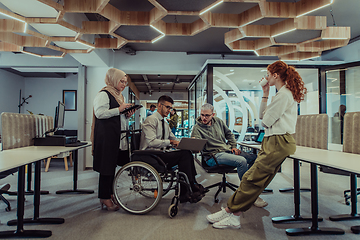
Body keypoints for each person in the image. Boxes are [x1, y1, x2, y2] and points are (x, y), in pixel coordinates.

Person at [206, 60, 307, 229]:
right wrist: (265, 91)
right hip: (274, 141)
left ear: (275, 76)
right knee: (255, 181)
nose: (266, 77)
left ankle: (231, 211)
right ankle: (232, 212)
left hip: (278, 141)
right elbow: (261, 115)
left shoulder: (284, 94)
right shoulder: (280, 94)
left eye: (268, 75)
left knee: (251, 179)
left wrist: (267, 110)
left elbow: (266, 122)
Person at [191, 103, 266, 208]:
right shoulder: (197, 128)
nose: (204, 118)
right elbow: (196, 147)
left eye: (207, 115)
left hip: (226, 151)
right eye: (202, 115)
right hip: (213, 156)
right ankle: (248, 195)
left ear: (213, 114)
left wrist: (233, 146)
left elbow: (229, 134)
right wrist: (195, 144)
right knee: (241, 161)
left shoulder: (218, 122)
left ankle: (250, 186)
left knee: (256, 159)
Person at [140, 95, 206, 203]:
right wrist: (170, 142)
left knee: (187, 152)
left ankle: (191, 185)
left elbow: (174, 138)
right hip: (151, 155)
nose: (169, 110)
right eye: (167, 107)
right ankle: (190, 188)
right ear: (159, 106)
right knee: (183, 155)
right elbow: (151, 142)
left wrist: (189, 144)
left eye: (170, 108)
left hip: (161, 154)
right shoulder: (150, 120)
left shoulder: (165, 123)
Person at [91, 68, 135, 211]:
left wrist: (127, 114)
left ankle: (109, 193)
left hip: (116, 136)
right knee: (106, 168)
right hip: (107, 137)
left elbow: (117, 115)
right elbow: (99, 113)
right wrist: (119, 109)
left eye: (125, 82)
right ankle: (104, 197)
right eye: (121, 81)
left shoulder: (119, 96)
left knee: (111, 167)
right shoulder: (104, 94)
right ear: (113, 80)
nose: (123, 84)